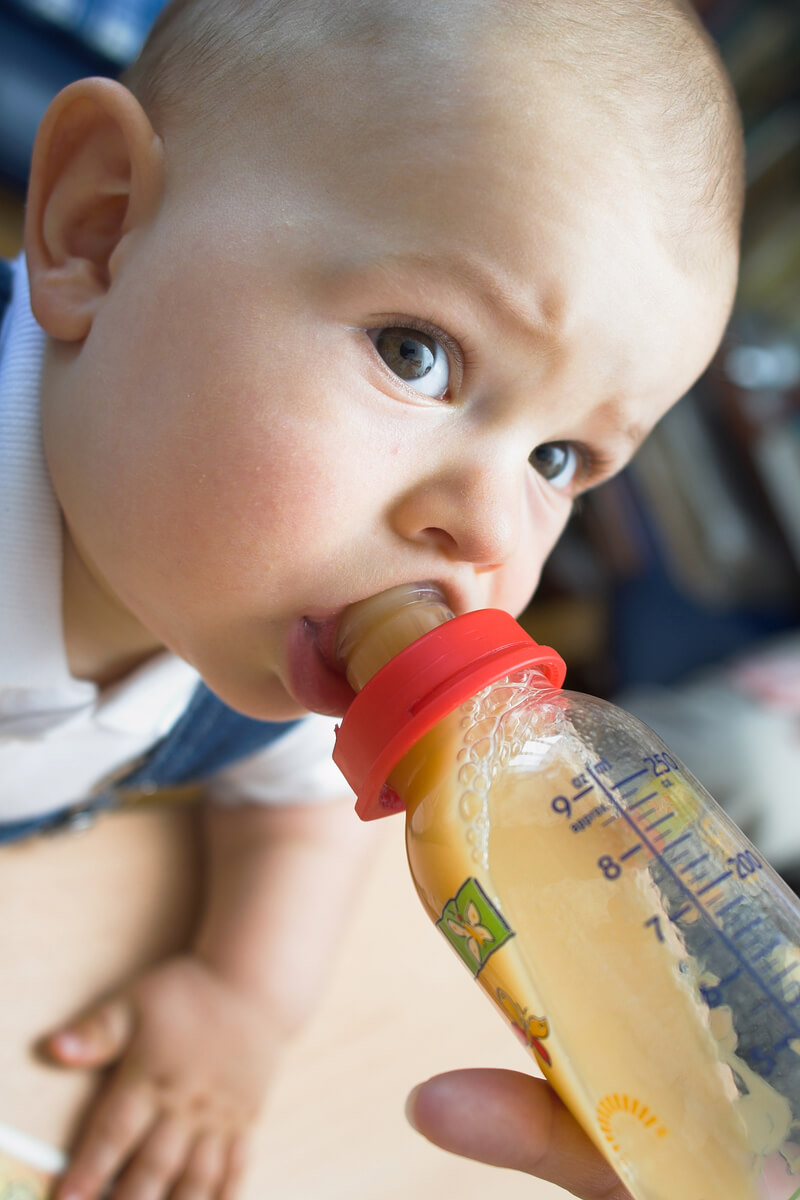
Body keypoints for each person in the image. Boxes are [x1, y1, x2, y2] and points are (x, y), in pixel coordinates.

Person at [0, 0, 744, 1195]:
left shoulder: (264, 617)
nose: (492, 531)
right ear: (99, 231)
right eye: (416, 353)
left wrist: (242, 996)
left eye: (559, 461)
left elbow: (291, 811)